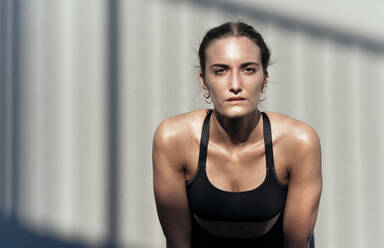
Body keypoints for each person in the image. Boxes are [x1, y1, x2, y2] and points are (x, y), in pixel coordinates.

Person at [152, 21, 322, 248]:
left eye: (248, 69)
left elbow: (296, 244)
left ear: (265, 81)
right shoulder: (174, 138)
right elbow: (176, 242)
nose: (235, 84)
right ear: (204, 82)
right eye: (220, 71)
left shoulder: (298, 142)